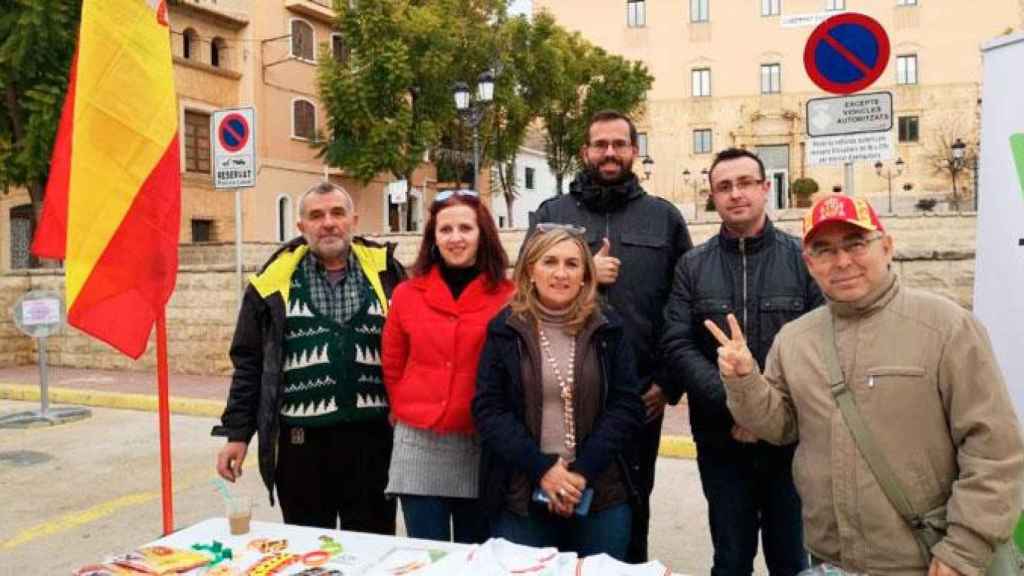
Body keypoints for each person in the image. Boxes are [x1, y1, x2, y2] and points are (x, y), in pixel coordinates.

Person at [707, 194, 1024, 576]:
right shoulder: (795, 340)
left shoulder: (947, 327)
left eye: (856, 244)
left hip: (930, 560)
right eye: (823, 250)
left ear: (886, 247)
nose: (842, 262)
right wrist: (743, 380)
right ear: (809, 264)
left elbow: (995, 450)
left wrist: (963, 549)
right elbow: (779, 426)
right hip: (833, 560)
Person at [527, 110, 692, 562]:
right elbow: (523, 290)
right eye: (600, 144)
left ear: (635, 152)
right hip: (556, 394)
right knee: (553, 508)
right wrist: (585, 275)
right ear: (585, 152)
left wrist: (668, 382)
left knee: (631, 510)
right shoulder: (551, 215)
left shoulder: (664, 218)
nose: (610, 153)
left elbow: (684, 306)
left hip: (639, 397)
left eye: (620, 144)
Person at [661, 148, 821, 576]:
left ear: (766, 188)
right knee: (730, 560)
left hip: (790, 440)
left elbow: (821, 345)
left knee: (791, 560)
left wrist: (767, 411)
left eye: (746, 182)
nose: (736, 194)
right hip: (721, 439)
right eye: (724, 187)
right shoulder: (691, 266)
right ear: (713, 196)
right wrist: (738, 406)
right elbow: (677, 344)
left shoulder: (801, 258)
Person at [213, 182, 405, 533]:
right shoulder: (271, 285)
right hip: (301, 449)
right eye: (316, 216)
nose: (328, 223)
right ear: (300, 227)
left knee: (373, 548)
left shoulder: (388, 274)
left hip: (373, 443)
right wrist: (237, 434)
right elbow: (249, 364)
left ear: (354, 220)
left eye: (337, 213)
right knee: (309, 551)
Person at [473, 225, 645, 560]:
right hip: (522, 493)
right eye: (549, 261)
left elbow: (626, 406)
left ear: (585, 274)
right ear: (530, 271)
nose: (561, 273)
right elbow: (488, 409)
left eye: (572, 264)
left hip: (600, 492)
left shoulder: (608, 325)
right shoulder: (505, 328)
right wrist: (543, 470)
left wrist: (580, 473)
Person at [381, 189, 514, 543]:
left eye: (466, 229)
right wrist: (403, 406)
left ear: (482, 234)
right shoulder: (409, 294)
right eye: (445, 230)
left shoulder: (509, 295)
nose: (455, 238)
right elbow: (393, 361)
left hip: (481, 443)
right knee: (430, 558)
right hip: (419, 444)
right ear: (433, 238)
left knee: (475, 557)